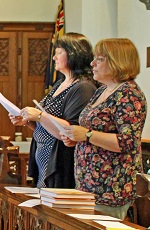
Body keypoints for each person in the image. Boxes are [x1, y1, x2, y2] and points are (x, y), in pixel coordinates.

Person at [61, 38, 147, 220]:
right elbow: (89, 130)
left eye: (99, 59)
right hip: (88, 185)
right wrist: (76, 137)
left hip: (111, 188)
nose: (92, 63)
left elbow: (128, 142)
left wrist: (88, 135)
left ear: (117, 61)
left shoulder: (129, 94)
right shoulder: (102, 91)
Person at [9, 33, 98, 189]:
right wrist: (28, 121)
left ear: (73, 54)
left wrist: (39, 115)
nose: (54, 58)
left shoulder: (83, 87)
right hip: (44, 156)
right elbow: (44, 125)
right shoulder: (59, 84)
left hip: (60, 160)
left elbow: (70, 130)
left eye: (59, 52)